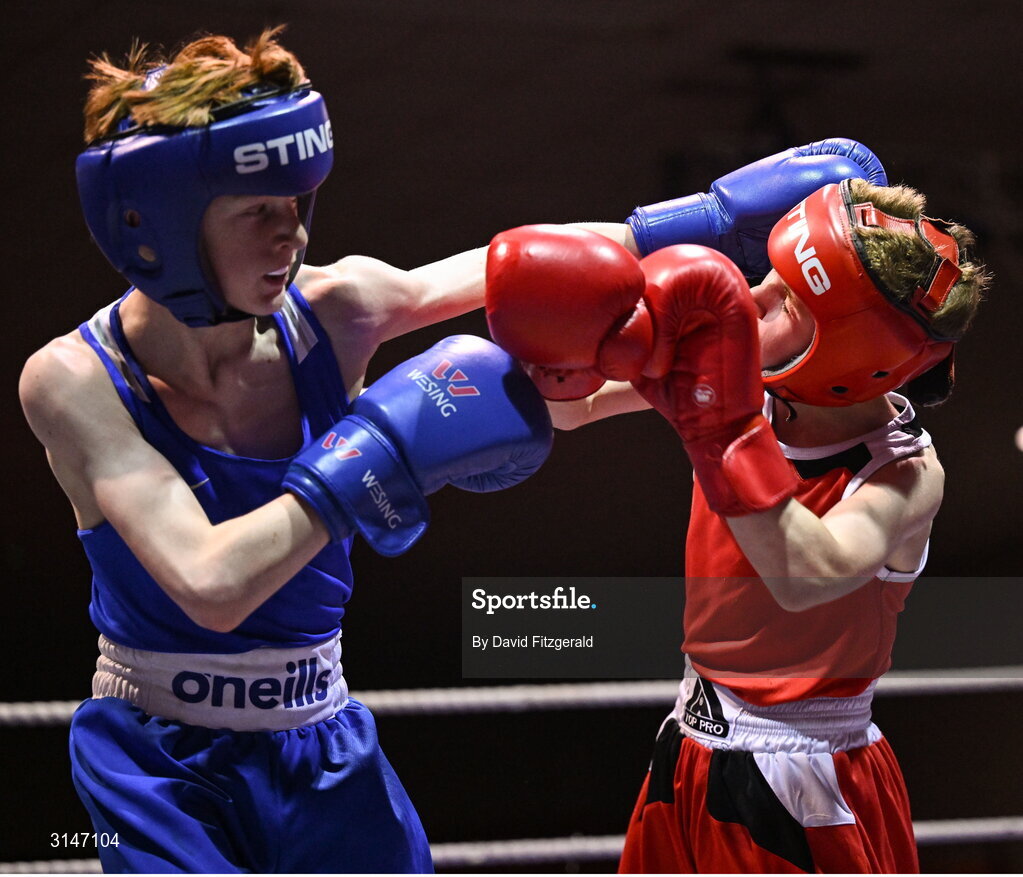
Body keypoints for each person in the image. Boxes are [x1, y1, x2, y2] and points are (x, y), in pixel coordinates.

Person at [18, 25, 890, 874]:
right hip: (159, 763)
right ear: (162, 225)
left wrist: (701, 221)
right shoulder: (74, 381)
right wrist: (374, 450)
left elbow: (520, 268)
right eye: (257, 212)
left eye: (296, 204)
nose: (292, 235)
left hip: (317, 734)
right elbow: (210, 584)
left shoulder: (334, 310)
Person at [484, 175, 988, 872]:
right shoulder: (741, 376)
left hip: (802, 783)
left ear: (848, 352)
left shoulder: (901, 471)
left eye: (787, 300)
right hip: (688, 744)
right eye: (767, 277)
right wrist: (575, 318)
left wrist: (717, 430)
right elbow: (572, 403)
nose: (750, 300)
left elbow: (807, 572)